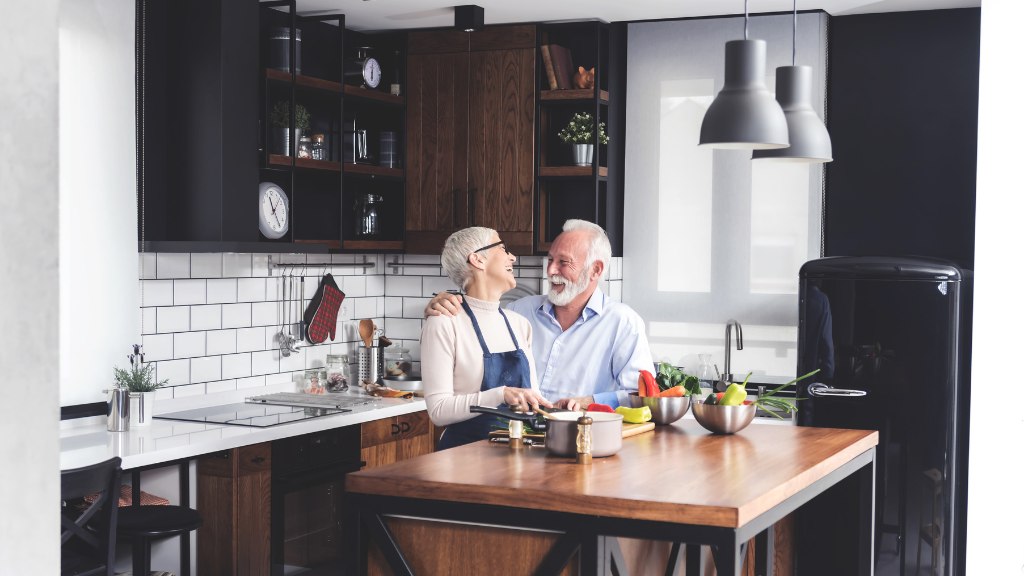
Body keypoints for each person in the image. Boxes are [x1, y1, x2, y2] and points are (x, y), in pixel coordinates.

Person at [426, 219, 653, 410]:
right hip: (518, 440)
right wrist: (444, 306)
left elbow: (642, 396)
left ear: (595, 270)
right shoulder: (518, 312)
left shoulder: (622, 323)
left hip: (583, 438)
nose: (551, 271)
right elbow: (475, 322)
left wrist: (590, 402)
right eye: (550, 260)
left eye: (564, 263)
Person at [420, 227, 554, 450]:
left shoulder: (519, 324)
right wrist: (501, 394)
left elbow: (532, 398)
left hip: (518, 456)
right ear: (477, 259)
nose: (512, 256)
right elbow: (439, 411)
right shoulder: (444, 322)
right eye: (503, 248)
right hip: (463, 460)